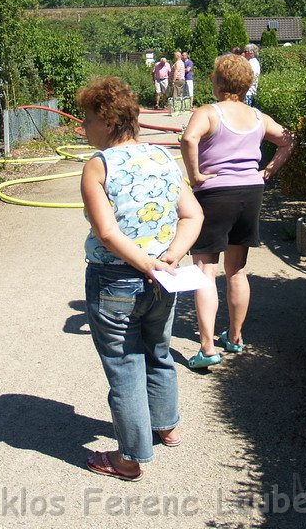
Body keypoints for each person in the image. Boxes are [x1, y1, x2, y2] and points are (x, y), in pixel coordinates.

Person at [79, 77, 203, 481]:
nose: (84, 127)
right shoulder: (164, 157)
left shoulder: (98, 165)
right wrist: (167, 259)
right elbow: (193, 215)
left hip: (115, 281)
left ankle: (129, 458)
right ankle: (166, 426)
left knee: (124, 364)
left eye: (88, 119)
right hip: (163, 280)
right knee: (158, 349)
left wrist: (146, 264)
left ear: (110, 120)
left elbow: (108, 233)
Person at [180, 54, 294, 368]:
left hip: (215, 193)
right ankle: (235, 336)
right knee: (237, 270)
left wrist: (196, 176)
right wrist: (267, 172)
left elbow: (189, 139)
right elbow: (288, 141)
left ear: (218, 83)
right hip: (250, 192)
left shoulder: (208, 112)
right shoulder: (258, 116)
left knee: (205, 270)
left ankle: (207, 347)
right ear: (246, 84)